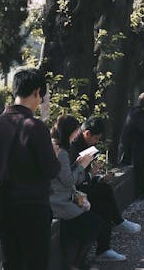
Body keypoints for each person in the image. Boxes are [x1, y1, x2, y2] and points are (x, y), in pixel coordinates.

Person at [0, 67, 60, 270]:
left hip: (5, 207)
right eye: (42, 95)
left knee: (11, 262)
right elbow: (51, 170)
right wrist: (54, 153)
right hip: (33, 207)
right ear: (37, 92)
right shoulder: (35, 127)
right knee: (36, 262)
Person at [69, 116, 141, 262]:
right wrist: (90, 174)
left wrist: (99, 177)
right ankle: (117, 224)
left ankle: (105, 248)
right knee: (103, 194)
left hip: (83, 186)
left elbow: (86, 175)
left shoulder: (84, 146)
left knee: (104, 201)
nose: (96, 142)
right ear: (86, 133)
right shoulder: (73, 148)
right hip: (73, 191)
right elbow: (73, 178)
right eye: (95, 138)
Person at [50, 115, 104, 270]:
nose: (76, 135)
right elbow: (68, 181)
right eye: (75, 132)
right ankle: (75, 263)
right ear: (69, 132)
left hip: (57, 197)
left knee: (84, 224)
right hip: (58, 201)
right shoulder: (62, 151)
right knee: (93, 223)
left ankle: (76, 262)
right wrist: (82, 166)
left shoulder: (55, 146)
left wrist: (77, 165)